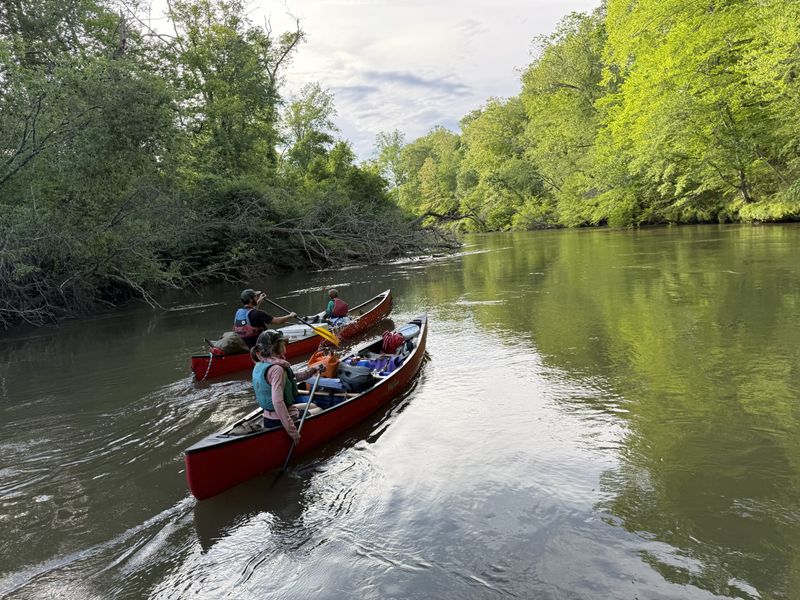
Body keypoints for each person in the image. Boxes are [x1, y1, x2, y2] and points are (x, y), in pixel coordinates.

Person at [251, 329, 326, 442]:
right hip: (278, 420)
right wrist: (293, 432)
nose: (285, 344)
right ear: (276, 346)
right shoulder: (277, 369)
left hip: (268, 416)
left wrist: (313, 370)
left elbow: (293, 377)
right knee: (319, 409)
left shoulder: (261, 364)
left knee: (311, 405)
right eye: (282, 343)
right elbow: (277, 402)